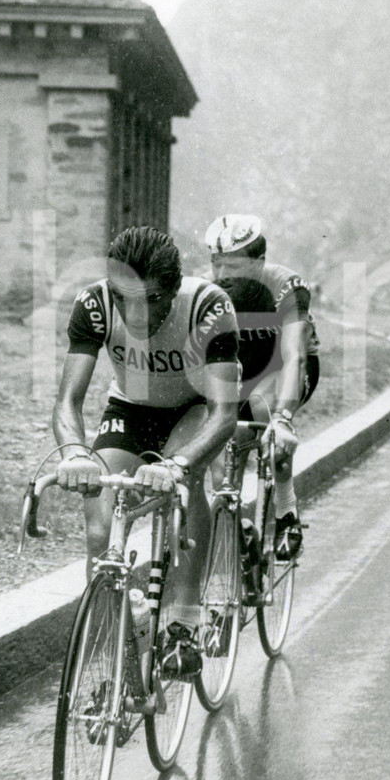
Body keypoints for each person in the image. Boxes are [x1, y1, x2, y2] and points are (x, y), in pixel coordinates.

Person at [52, 225, 240, 678]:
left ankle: (183, 622)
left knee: (183, 484)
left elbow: (223, 414)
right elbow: (67, 403)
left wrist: (177, 464)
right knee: (98, 523)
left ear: (173, 290)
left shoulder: (207, 306)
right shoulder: (95, 304)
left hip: (193, 410)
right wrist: (75, 453)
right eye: (125, 298)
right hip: (131, 409)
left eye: (151, 300)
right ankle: (122, 629)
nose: (135, 314)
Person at [204, 214, 320, 560]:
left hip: (284, 366)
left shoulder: (286, 285)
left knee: (263, 410)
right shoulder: (206, 288)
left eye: (234, 266)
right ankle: (239, 530)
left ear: (259, 262)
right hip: (238, 366)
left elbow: (294, 354)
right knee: (222, 444)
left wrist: (283, 417)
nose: (223, 275)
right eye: (217, 263)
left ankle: (286, 510)